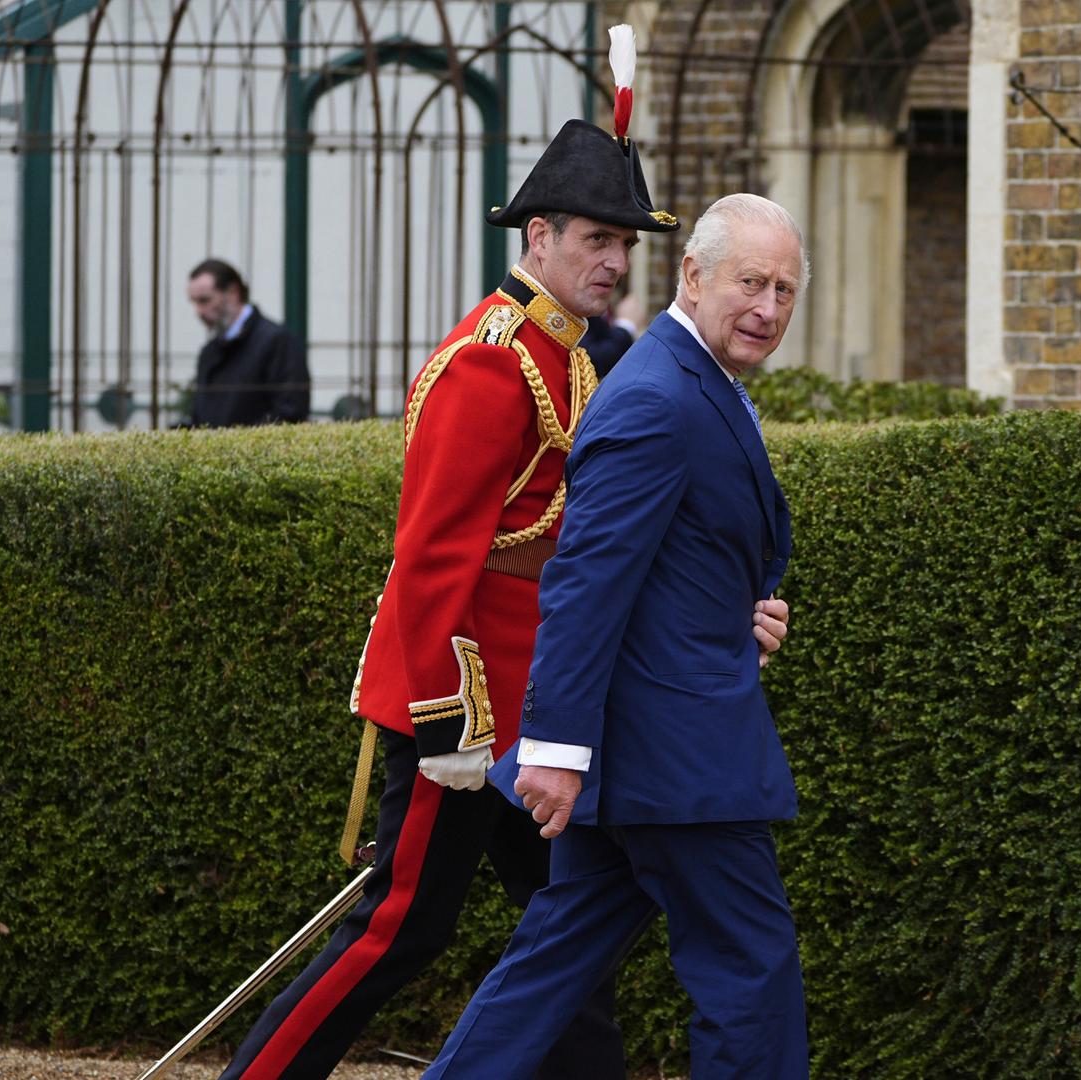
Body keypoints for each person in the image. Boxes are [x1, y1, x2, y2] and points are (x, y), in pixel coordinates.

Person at [218, 44, 792, 1079]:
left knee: (566, 948)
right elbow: (433, 556)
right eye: (596, 239)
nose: (615, 261)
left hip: (540, 713)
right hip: (468, 717)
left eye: (625, 243)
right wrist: (448, 722)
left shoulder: (563, 356)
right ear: (539, 236)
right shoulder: (494, 362)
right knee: (400, 934)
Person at [423, 192, 810, 1080]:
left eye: (786, 291)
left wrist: (741, 612)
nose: (767, 308)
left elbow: (670, 561)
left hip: (645, 750)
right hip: (679, 760)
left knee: (550, 967)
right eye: (751, 282)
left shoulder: (689, 382)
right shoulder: (659, 396)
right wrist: (553, 748)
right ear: (694, 276)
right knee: (749, 974)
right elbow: (585, 582)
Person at [185, 259, 311, 427]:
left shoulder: (277, 341)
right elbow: (199, 418)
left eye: (205, 300)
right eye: (194, 302)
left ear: (232, 292)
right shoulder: (209, 352)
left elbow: (290, 412)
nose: (198, 311)